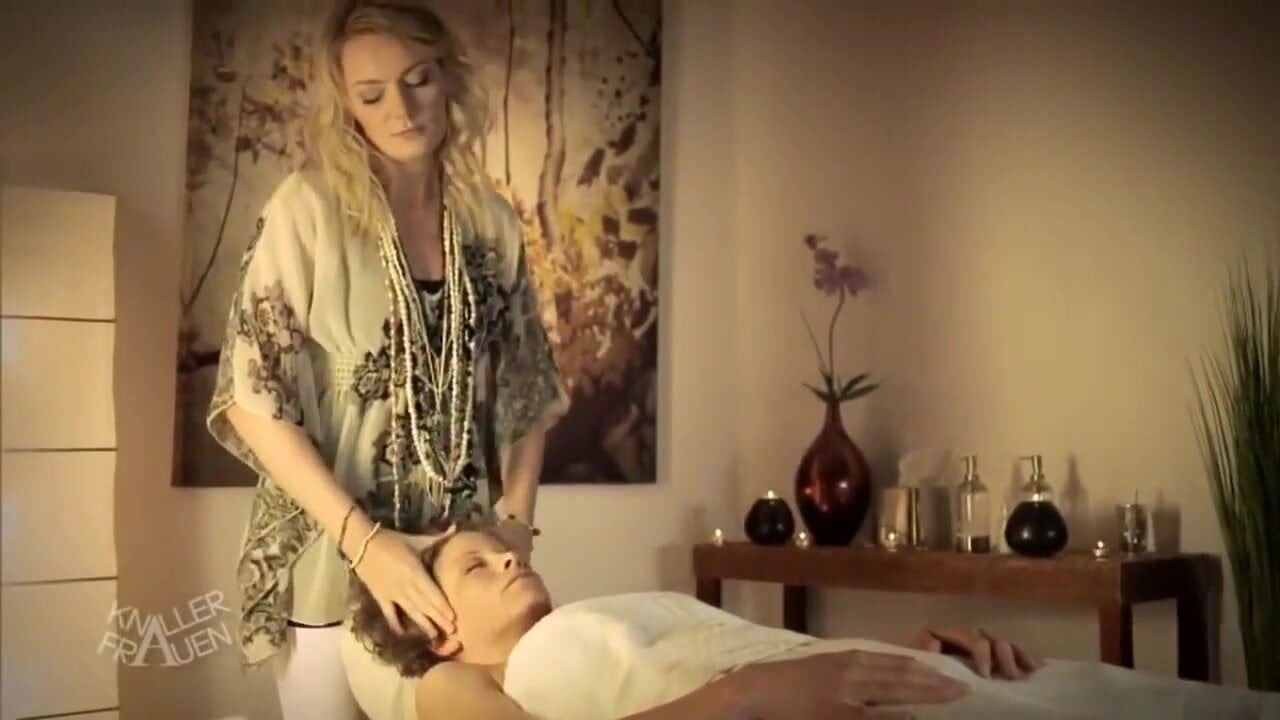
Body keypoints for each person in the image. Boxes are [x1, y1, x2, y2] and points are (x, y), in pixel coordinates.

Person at [205, 1, 567, 717]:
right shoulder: (307, 210)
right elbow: (253, 401)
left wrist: (517, 522)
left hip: (459, 575)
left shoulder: (489, 222)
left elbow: (528, 389)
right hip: (333, 559)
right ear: (346, 104)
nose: (400, 109)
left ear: (448, 78)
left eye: (418, 79)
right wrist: (366, 544)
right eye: (372, 95)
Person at [341, 529, 1280, 720]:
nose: (510, 558)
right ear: (436, 627)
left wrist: (892, 651)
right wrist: (748, 695)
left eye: (503, 548)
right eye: (476, 566)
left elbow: (760, 653)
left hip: (860, 680)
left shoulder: (598, 615)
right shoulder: (455, 681)